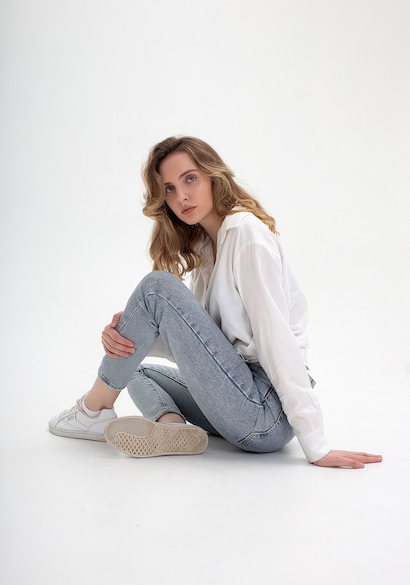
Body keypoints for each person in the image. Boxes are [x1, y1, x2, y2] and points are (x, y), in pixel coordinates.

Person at [49, 136, 382, 468]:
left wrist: (316, 444)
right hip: (236, 398)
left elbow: (275, 340)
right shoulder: (207, 252)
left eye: (190, 179)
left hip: (265, 411)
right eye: (169, 188)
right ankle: (171, 429)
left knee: (157, 288)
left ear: (213, 176)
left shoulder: (245, 234)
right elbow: (205, 349)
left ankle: (93, 411)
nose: (181, 196)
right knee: (136, 370)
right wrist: (131, 335)